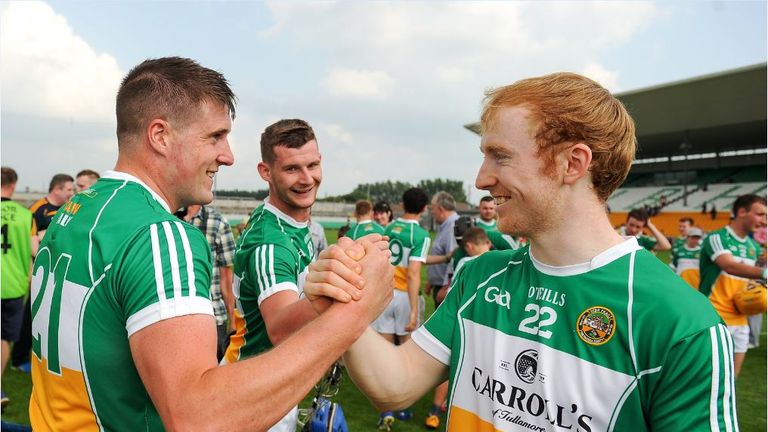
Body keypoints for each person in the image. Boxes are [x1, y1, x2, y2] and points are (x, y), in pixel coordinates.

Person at [321, 72, 736, 431]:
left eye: (500, 156)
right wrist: (347, 301)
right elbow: (396, 386)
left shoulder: (683, 323)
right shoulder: (480, 275)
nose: (482, 179)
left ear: (572, 164)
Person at [29, 57, 394, 431]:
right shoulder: (160, 234)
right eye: (215, 136)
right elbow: (198, 418)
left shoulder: (80, 207)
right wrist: (354, 314)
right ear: (160, 136)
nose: (228, 155)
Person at [222, 119, 337, 431]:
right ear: (266, 172)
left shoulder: (292, 225)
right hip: (251, 391)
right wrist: (337, 287)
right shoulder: (270, 242)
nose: (306, 178)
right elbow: (281, 328)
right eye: (291, 169)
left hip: (268, 380)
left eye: (312, 165)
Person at [374, 187, 430, 430]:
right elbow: (414, 273)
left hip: (384, 294)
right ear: (424, 208)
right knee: (407, 356)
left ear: (402, 204)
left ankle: (385, 407)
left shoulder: (388, 228)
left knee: (384, 351)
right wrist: (415, 310)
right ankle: (403, 407)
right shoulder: (420, 234)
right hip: (406, 297)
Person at [10, 173, 74, 372]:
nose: (72, 193)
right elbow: (32, 243)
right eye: (69, 189)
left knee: (51, 315)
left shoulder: (68, 209)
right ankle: (19, 358)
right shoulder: (37, 209)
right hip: (41, 272)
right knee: (31, 315)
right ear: (57, 189)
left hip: (60, 272)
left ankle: (47, 353)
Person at [699, 194, 767, 378]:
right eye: (760, 214)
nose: (764, 221)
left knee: (731, 378)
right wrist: (765, 273)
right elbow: (728, 265)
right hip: (715, 318)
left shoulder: (754, 246)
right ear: (742, 212)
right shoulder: (717, 237)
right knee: (706, 378)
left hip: (741, 319)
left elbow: (748, 280)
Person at [178, 204, 236, 360]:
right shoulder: (168, 218)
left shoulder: (217, 223)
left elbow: (226, 278)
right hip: (176, 316)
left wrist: (233, 320)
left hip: (212, 316)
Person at [0, 167, 34, 407]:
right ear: (13, 185)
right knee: (3, 339)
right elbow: (35, 250)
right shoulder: (25, 215)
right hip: (12, 286)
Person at [426, 191, 459, 306]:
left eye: (433, 208)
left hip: (445, 287)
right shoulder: (446, 225)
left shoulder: (452, 227)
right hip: (440, 284)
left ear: (440, 209)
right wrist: (431, 280)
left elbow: (453, 259)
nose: (432, 212)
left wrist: (446, 287)